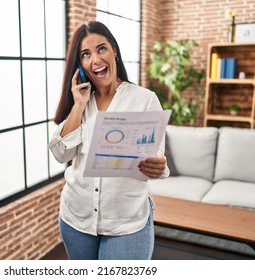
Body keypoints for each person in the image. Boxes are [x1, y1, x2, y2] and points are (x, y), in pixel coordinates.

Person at [48, 21, 169, 260]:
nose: (95, 59)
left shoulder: (145, 100)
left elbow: (157, 155)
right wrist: (79, 105)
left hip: (126, 224)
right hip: (76, 220)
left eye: (101, 48)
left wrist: (159, 164)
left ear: (114, 49)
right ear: (80, 64)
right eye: (86, 54)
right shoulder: (81, 102)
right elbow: (61, 154)